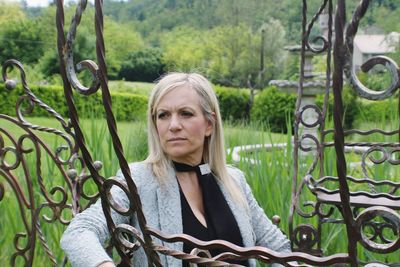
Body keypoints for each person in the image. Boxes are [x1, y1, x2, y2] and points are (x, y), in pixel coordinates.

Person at [61, 72, 291, 267]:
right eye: (163, 115)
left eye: (186, 114)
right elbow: (80, 231)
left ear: (209, 124)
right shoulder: (138, 179)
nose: (173, 125)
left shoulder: (234, 180)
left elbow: (278, 247)